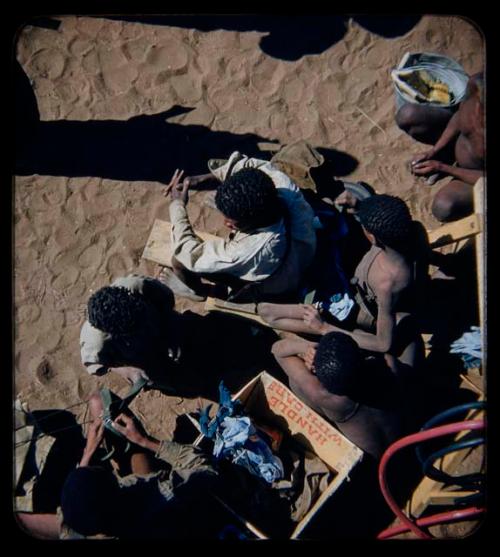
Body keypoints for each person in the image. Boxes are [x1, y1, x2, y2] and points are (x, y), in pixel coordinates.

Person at [16, 398, 220, 539]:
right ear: (116, 482)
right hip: (154, 522)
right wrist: (145, 441)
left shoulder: (80, 527)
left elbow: (66, 522)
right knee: (99, 402)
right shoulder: (156, 493)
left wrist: (87, 455)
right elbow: (205, 470)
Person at [259, 193, 422, 358]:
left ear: (372, 237)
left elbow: (383, 343)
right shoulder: (415, 231)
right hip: (349, 277)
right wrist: (359, 207)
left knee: (268, 313)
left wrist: (324, 327)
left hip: (355, 308)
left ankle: (312, 342)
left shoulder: (386, 284)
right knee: (327, 208)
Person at [160, 151, 317, 302]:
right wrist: (204, 178)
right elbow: (247, 165)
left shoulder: (248, 251)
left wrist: (177, 204)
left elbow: (188, 253)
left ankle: (199, 292)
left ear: (254, 221)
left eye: (232, 222)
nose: (225, 224)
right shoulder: (283, 185)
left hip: (281, 280)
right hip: (303, 250)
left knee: (178, 262)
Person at [271, 332, 408, 460]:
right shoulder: (389, 367)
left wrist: (307, 347)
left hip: (374, 459)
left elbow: (277, 350)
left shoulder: (324, 396)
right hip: (408, 437)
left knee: (295, 382)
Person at [79, 274, 182, 387]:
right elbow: (94, 365)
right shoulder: (95, 343)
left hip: (164, 326)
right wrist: (127, 370)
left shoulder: (137, 286)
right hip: (140, 356)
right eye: (134, 328)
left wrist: (171, 332)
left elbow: (167, 300)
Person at [410, 73, 484, 222]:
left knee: (443, 208)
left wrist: (442, 167)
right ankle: (447, 156)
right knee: (408, 115)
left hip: (475, 175)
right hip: (453, 151)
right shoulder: (477, 85)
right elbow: (459, 116)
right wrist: (435, 150)